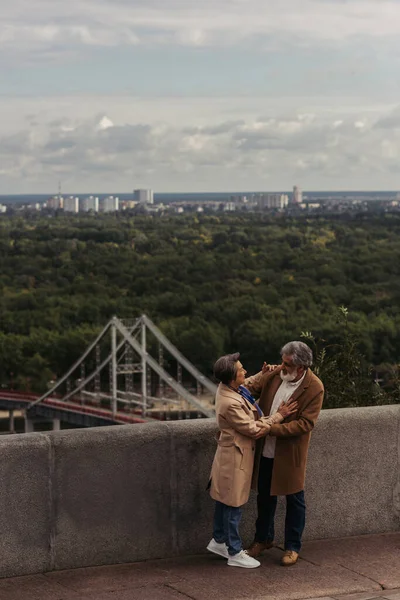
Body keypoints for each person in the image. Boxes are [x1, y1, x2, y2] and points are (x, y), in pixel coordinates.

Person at [207, 352, 298, 569]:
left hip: (230, 454)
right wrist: (280, 415)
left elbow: (248, 383)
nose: (245, 372)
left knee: (224, 500)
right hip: (235, 458)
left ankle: (218, 540)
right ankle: (234, 551)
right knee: (233, 504)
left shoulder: (228, 388)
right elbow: (253, 429)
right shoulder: (230, 403)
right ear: (231, 378)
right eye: (241, 369)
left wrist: (266, 373)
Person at [244, 341, 324, 566]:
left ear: (301, 367)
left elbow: (305, 424)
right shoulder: (276, 374)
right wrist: (260, 374)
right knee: (264, 497)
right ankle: (263, 540)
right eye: (282, 361)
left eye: (287, 363)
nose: (282, 366)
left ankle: (292, 547)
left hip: (290, 454)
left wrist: (272, 428)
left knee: (295, 500)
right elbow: (246, 390)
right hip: (265, 450)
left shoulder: (315, 387)